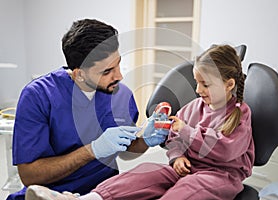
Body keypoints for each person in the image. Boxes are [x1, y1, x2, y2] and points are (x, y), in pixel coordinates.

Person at [24, 44, 255, 200]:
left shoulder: (239, 114)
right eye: (197, 82)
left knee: (186, 190)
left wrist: (186, 132)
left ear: (229, 85)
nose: (197, 90)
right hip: (187, 167)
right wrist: (176, 156)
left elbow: (226, 150)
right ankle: (88, 199)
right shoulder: (194, 107)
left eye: (205, 85)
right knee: (145, 173)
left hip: (220, 175)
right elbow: (175, 138)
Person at [7, 19, 168, 200]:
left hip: (105, 191)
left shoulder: (121, 95)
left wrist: (145, 139)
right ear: (79, 74)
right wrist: (92, 150)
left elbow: (126, 152)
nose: (119, 76)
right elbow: (30, 175)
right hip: (49, 193)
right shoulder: (38, 96)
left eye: (118, 64)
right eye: (106, 72)